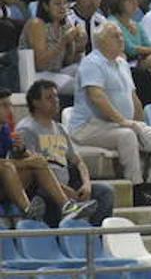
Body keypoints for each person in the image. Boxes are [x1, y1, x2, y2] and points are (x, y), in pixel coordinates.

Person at [68, 23, 151, 206]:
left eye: (121, 35)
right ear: (101, 41)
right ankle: (136, 189)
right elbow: (97, 97)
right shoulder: (91, 63)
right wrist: (124, 122)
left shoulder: (122, 63)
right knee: (127, 135)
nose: (121, 38)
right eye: (116, 36)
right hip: (88, 127)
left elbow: (133, 98)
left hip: (118, 124)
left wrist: (139, 124)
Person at [17, 79, 114, 225]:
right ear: (35, 102)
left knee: (105, 191)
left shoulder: (60, 128)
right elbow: (34, 170)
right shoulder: (27, 129)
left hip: (69, 185)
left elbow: (78, 161)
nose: (56, 101)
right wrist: (64, 191)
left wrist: (86, 185)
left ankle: (92, 236)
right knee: (47, 197)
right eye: (49, 98)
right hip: (43, 189)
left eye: (56, 96)